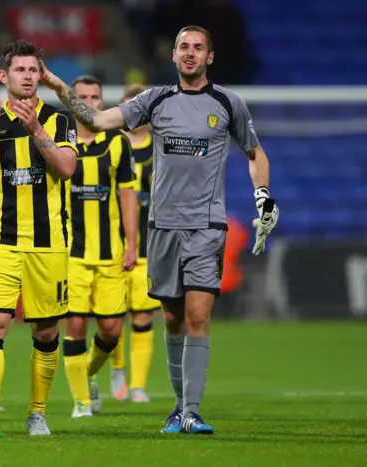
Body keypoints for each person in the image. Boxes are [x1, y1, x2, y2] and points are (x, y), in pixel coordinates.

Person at [41, 25, 279, 434]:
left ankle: (192, 411)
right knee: (172, 318)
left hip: (206, 225)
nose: (190, 53)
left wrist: (262, 195)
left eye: (198, 47)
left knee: (198, 315)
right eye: (183, 47)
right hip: (163, 228)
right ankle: (178, 407)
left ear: (210, 57)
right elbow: (97, 120)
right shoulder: (155, 100)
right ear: (173, 56)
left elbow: (254, 153)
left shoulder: (228, 103)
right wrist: (60, 87)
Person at [0, 39, 78, 437]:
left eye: (34, 70)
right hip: (0, 243)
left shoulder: (59, 120)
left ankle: (37, 412)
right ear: (4, 76)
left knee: (45, 333)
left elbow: (66, 168)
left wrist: (36, 129)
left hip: (48, 245)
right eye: (21, 70)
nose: (28, 77)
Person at [62, 75, 138, 419]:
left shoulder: (118, 143)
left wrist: (132, 244)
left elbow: (128, 197)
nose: (90, 102)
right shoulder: (58, 142)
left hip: (110, 253)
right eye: (83, 97)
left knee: (111, 330)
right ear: (72, 101)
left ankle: (89, 373)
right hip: (69, 254)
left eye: (96, 96)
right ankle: (82, 401)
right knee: (75, 325)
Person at [108, 84, 163, 404]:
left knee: (142, 318)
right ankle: (117, 368)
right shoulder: (110, 145)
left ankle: (138, 385)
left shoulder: (161, 148)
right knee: (111, 318)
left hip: (148, 246)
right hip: (111, 244)